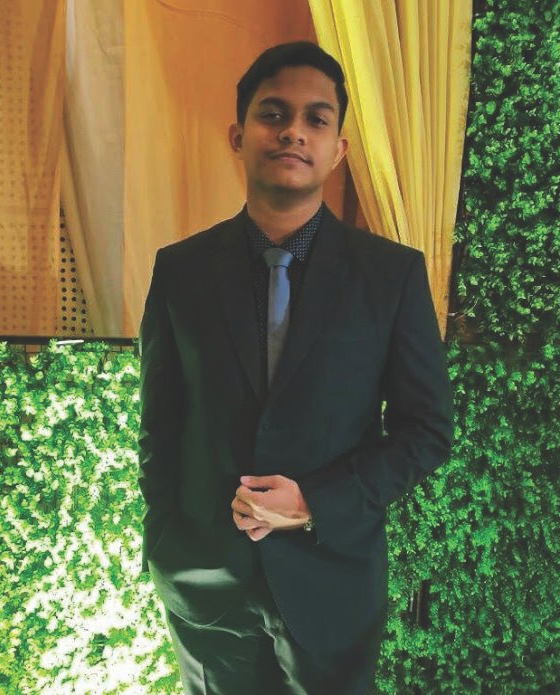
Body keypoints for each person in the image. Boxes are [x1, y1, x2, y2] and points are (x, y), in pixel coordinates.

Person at [138, 41, 453, 695]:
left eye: (316, 118)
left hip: (331, 580)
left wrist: (316, 502)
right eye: (273, 113)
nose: (292, 131)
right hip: (203, 582)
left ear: (338, 149)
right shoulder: (180, 269)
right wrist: (164, 539)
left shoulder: (391, 275)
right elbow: (160, 424)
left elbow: (426, 431)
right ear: (239, 135)